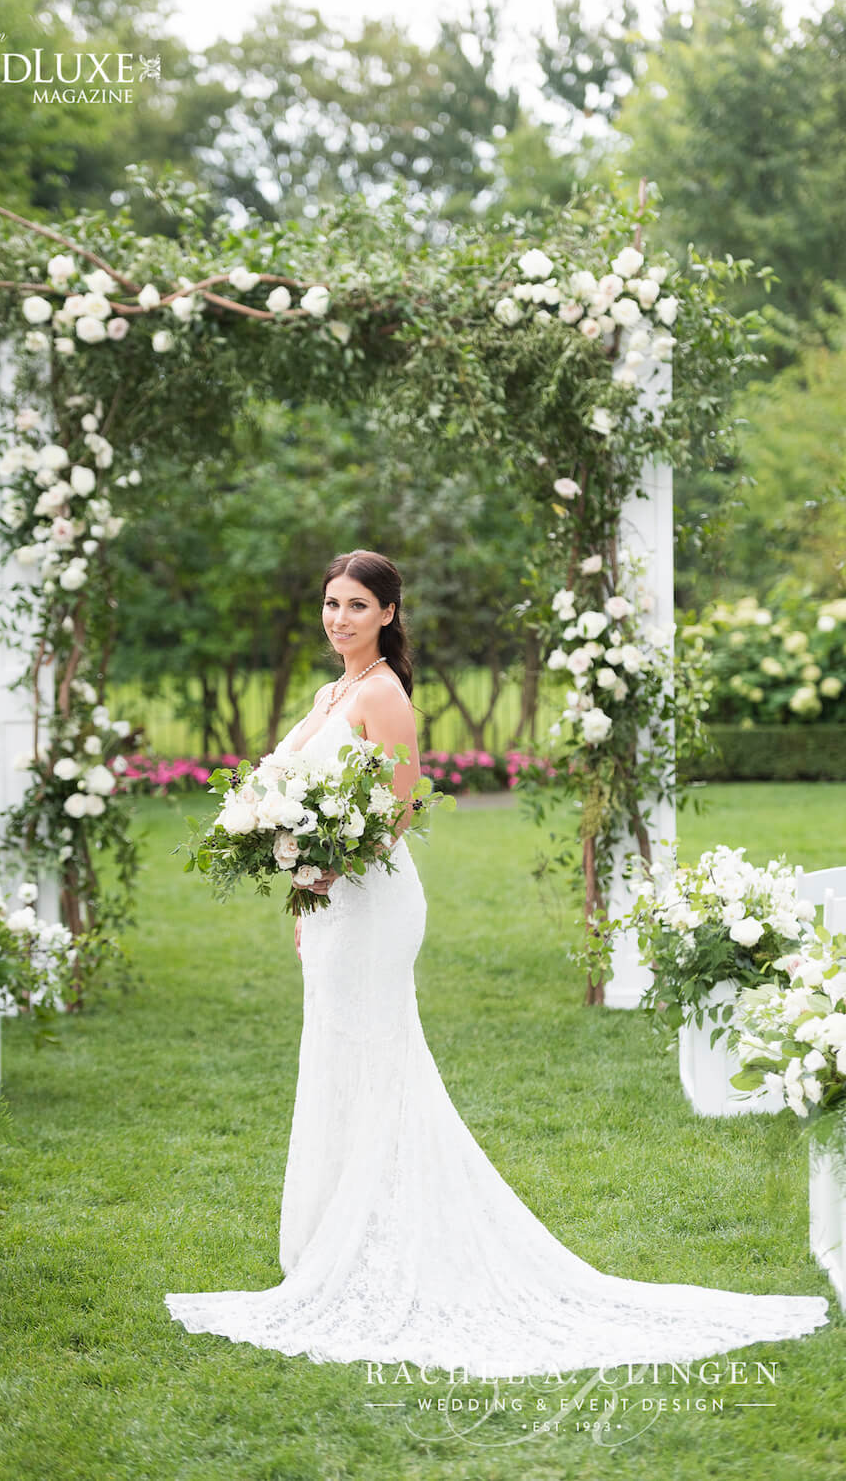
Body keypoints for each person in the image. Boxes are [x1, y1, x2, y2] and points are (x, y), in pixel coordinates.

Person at [165, 549, 829, 1377]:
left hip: (374, 902)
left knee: (377, 1054)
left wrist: (334, 864)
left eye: (357, 606)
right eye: (331, 603)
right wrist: (294, 863)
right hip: (332, 904)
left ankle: (385, 1236)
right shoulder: (328, 692)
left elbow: (403, 804)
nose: (339, 618)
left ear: (388, 616)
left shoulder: (384, 694)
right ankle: (341, 1230)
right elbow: (288, 782)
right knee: (336, 1054)